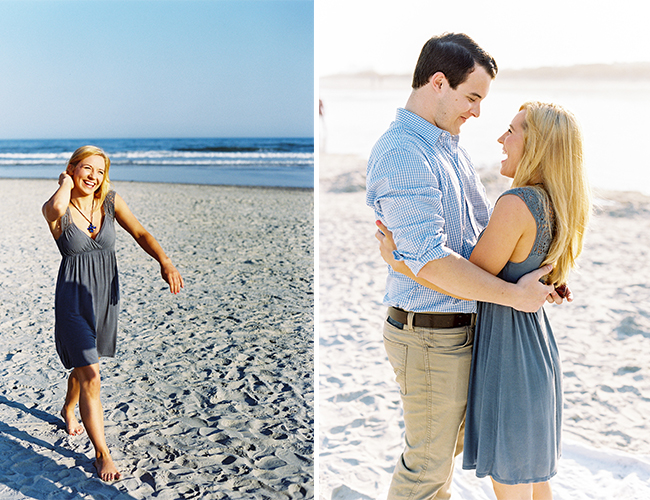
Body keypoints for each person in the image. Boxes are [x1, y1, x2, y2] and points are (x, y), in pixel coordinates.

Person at [365, 33, 567, 500]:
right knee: (427, 470)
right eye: (472, 97)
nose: (478, 112)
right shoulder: (404, 152)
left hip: (467, 328)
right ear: (439, 82)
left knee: (445, 458)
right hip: (430, 334)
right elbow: (432, 260)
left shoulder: (449, 146)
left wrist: (533, 274)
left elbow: (480, 237)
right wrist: (515, 296)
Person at [42, 145, 184, 481]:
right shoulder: (57, 208)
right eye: (86, 169)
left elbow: (140, 233)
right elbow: (56, 206)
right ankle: (102, 454)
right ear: (73, 169)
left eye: (100, 171)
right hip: (72, 301)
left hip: (105, 297)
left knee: (86, 364)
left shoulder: (110, 201)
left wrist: (164, 262)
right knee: (91, 374)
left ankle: (68, 406)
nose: (93, 177)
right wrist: (64, 183)